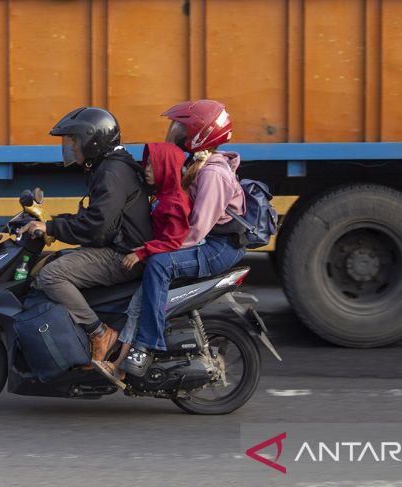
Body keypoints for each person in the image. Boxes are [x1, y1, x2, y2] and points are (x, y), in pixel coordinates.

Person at [120, 100, 248, 377]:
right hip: (206, 240)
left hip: (218, 246)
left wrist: (153, 249)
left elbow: (197, 230)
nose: (175, 132)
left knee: (159, 265)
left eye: (181, 127)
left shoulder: (213, 173)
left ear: (200, 134)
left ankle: (145, 345)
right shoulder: (198, 163)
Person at [18, 107, 152, 365]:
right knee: (50, 263)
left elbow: (98, 227)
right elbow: (99, 218)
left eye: (75, 141)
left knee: (52, 275)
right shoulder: (111, 166)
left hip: (123, 255)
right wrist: (53, 223)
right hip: (120, 246)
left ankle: (100, 334)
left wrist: (54, 228)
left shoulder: (112, 172)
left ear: (93, 140)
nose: (71, 147)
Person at [91, 142, 192, 387]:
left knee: (136, 310)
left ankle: (121, 366)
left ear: (166, 168)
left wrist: (141, 252)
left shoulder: (175, 201)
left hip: (158, 264)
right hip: (150, 259)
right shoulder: (162, 195)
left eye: (152, 164)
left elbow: (173, 241)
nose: (145, 168)